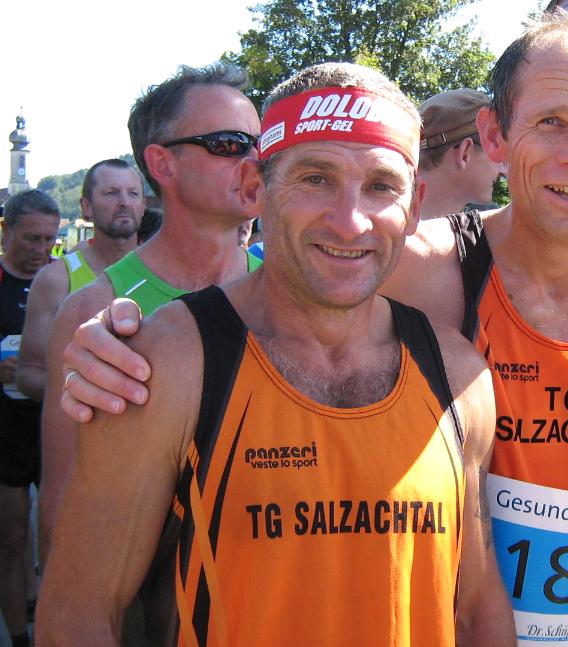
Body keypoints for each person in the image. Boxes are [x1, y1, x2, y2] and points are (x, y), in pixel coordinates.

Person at [54, 9, 568, 646]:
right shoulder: (423, 267)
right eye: (549, 123)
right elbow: (286, 289)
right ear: (493, 136)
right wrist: (119, 340)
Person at [37, 61, 515, 646]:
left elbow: (476, 606)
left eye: (381, 186)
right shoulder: (165, 364)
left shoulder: (459, 375)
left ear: (414, 205)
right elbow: (78, 615)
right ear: (255, 188)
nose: (350, 222)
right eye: (314, 178)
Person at [36, 62, 263, 575]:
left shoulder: (286, 290)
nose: (256, 161)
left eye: (261, 143)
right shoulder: (93, 312)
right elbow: (61, 503)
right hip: (156, 595)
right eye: (230, 144)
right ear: (162, 165)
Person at [16, 159, 144, 403]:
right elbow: (29, 373)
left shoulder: (168, 273)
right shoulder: (55, 280)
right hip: (80, 421)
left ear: (143, 206)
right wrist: (90, 392)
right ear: (87, 206)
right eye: (111, 192)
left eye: (133, 193)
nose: (124, 202)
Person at [0, 189, 60, 647]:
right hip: (5, 429)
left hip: (52, 426)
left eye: (49, 239)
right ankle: (18, 635)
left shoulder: (61, 280)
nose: (41, 249)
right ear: (6, 232)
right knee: (11, 539)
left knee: (58, 539)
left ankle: (50, 621)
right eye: (31, 238)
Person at [418, 88, 504, 218]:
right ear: (464, 153)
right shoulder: (486, 228)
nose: (503, 170)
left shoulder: (390, 223)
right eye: (496, 150)